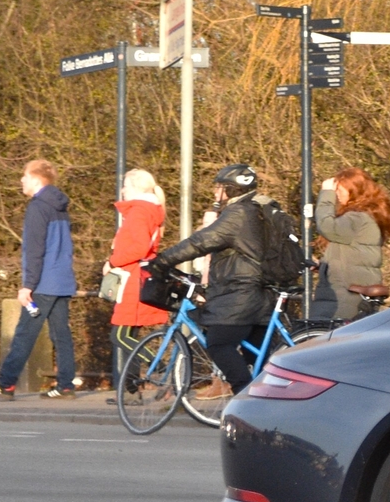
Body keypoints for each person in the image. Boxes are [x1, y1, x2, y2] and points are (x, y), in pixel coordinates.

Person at [146, 164, 274, 394]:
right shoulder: (259, 209)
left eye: (219, 188)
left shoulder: (238, 213)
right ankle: (265, 404)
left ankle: (244, 398)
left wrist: (163, 260)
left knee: (219, 343)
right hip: (262, 293)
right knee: (257, 357)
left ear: (232, 189)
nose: (216, 193)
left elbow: (202, 241)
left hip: (241, 295)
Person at [0, 159, 81, 397]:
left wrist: (27, 286)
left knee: (25, 333)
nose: (21, 180)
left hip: (43, 284)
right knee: (61, 336)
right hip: (62, 280)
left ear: (37, 179)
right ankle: (66, 385)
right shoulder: (60, 206)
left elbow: (35, 250)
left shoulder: (38, 207)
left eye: (25, 176)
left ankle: (5, 383)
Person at [315, 166, 390, 322]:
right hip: (350, 285)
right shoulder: (366, 216)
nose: (337, 195)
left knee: (323, 339)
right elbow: (352, 254)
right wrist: (324, 266)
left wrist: (326, 193)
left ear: (354, 190)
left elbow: (327, 226)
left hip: (345, 292)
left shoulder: (357, 217)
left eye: (340, 190)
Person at [106, 169, 173, 337]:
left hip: (133, 278)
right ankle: (155, 364)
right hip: (137, 275)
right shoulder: (148, 210)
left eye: (125, 186)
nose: (122, 191)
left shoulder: (139, 212)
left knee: (120, 337)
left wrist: (112, 262)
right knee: (128, 336)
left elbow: (140, 247)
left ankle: (158, 365)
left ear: (137, 188)